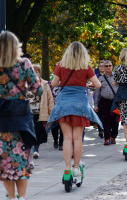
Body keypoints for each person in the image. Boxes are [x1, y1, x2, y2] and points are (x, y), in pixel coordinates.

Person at [46, 41, 102, 182]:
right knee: (77, 139)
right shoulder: (86, 66)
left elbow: (53, 84)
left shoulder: (60, 65)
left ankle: (66, 168)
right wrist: (86, 83)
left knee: (67, 138)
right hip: (80, 105)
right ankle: (76, 168)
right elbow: (98, 84)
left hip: (64, 104)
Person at [0, 31, 42, 200]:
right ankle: (22, 197)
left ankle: (12, 197)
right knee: (22, 157)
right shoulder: (24, 64)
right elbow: (37, 88)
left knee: (3, 159)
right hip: (21, 117)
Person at [29, 64, 54, 159]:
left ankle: (36, 149)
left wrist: (51, 112)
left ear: (39, 73)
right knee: (29, 131)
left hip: (40, 112)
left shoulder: (45, 84)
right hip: (28, 112)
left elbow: (50, 99)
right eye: (33, 72)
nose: (35, 74)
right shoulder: (26, 83)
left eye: (36, 72)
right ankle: (30, 148)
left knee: (39, 132)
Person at [94, 60, 119, 145]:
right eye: (106, 66)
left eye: (109, 65)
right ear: (103, 68)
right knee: (105, 121)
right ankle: (107, 138)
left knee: (115, 121)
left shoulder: (117, 76)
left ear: (112, 66)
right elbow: (97, 93)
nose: (108, 67)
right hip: (104, 102)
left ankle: (113, 137)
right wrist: (96, 105)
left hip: (115, 102)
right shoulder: (100, 78)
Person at [48, 78, 64, 150]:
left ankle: (61, 143)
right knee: (54, 126)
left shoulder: (65, 83)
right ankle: (55, 140)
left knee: (63, 126)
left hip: (62, 108)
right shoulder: (50, 84)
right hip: (53, 108)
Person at [94, 60, 105, 139]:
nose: (101, 67)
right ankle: (100, 130)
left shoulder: (109, 75)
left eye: (102, 66)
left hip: (107, 98)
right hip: (98, 98)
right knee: (99, 115)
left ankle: (106, 130)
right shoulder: (96, 76)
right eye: (100, 66)